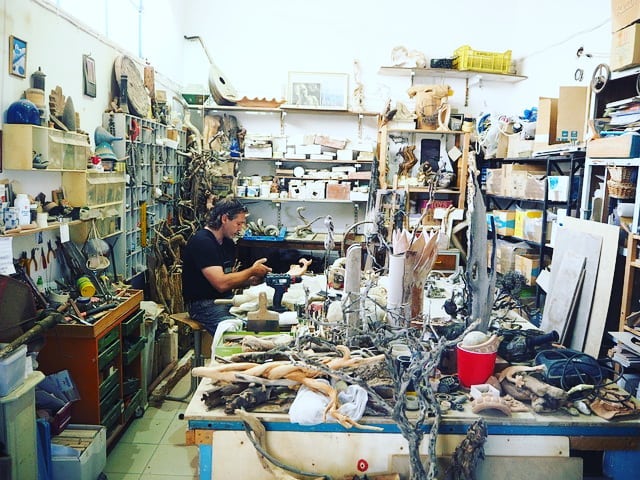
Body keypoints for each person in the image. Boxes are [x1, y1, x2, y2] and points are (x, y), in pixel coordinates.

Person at [182, 198, 272, 335]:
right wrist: (251, 271)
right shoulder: (203, 242)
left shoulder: (227, 243)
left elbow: (228, 279)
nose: (240, 228)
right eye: (238, 223)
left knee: (263, 321)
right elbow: (221, 284)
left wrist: (250, 280)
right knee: (237, 332)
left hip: (226, 300)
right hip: (204, 305)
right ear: (224, 219)